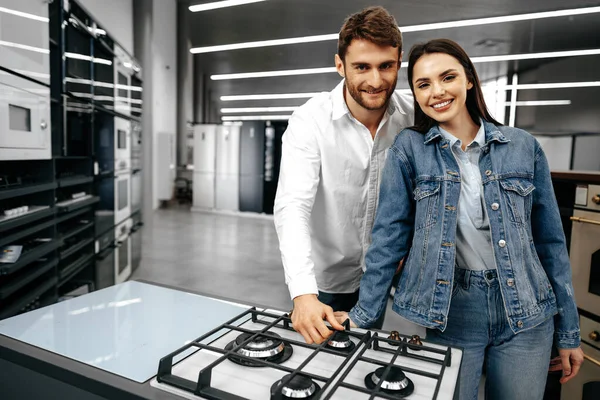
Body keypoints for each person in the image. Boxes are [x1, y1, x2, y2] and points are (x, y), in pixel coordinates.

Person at [335, 38, 584, 399]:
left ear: (468, 79)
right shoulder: (409, 150)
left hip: (528, 311)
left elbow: (551, 244)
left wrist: (568, 332)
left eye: (447, 77)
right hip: (453, 311)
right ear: (416, 95)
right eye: (423, 84)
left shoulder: (522, 146)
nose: (437, 91)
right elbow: (388, 238)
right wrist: (362, 313)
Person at [273, 6, 414, 345]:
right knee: (313, 368)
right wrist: (303, 294)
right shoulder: (310, 120)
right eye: (362, 67)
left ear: (399, 62)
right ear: (340, 65)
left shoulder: (413, 117)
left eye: (386, 66)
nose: (376, 80)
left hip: (379, 277)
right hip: (323, 280)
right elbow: (292, 206)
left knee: (359, 361)